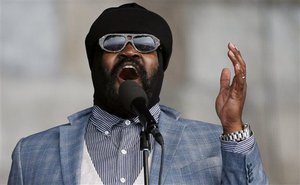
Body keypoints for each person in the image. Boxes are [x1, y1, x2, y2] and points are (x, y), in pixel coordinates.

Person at [8, 3, 268, 185]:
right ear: (95, 63)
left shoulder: (213, 142)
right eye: (113, 42)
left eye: (145, 44)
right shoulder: (30, 154)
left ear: (161, 65)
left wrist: (233, 126)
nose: (130, 52)